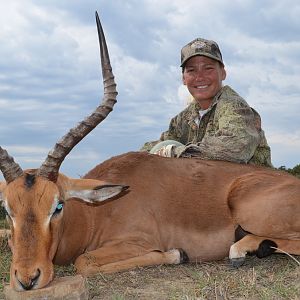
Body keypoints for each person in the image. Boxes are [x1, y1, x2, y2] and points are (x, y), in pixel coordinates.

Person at [141, 38, 272, 167]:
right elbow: (159, 145)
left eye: (208, 68)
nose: (200, 77)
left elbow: (236, 146)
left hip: (253, 185)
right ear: (183, 79)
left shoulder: (234, 106)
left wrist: (174, 153)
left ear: (223, 73)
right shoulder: (182, 119)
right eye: (192, 70)